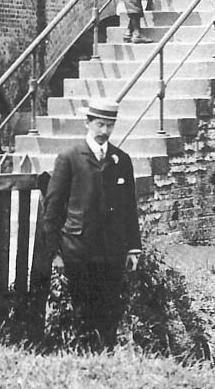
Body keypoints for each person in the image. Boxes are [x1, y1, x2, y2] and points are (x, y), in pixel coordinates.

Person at [41, 98, 141, 347]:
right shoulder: (69, 158)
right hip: (79, 248)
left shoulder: (121, 160)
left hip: (112, 250)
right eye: (99, 125)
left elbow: (129, 207)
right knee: (83, 308)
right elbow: (52, 208)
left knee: (109, 309)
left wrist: (132, 247)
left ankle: (105, 356)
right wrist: (54, 252)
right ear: (87, 123)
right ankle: (84, 355)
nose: (104, 131)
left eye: (109, 125)